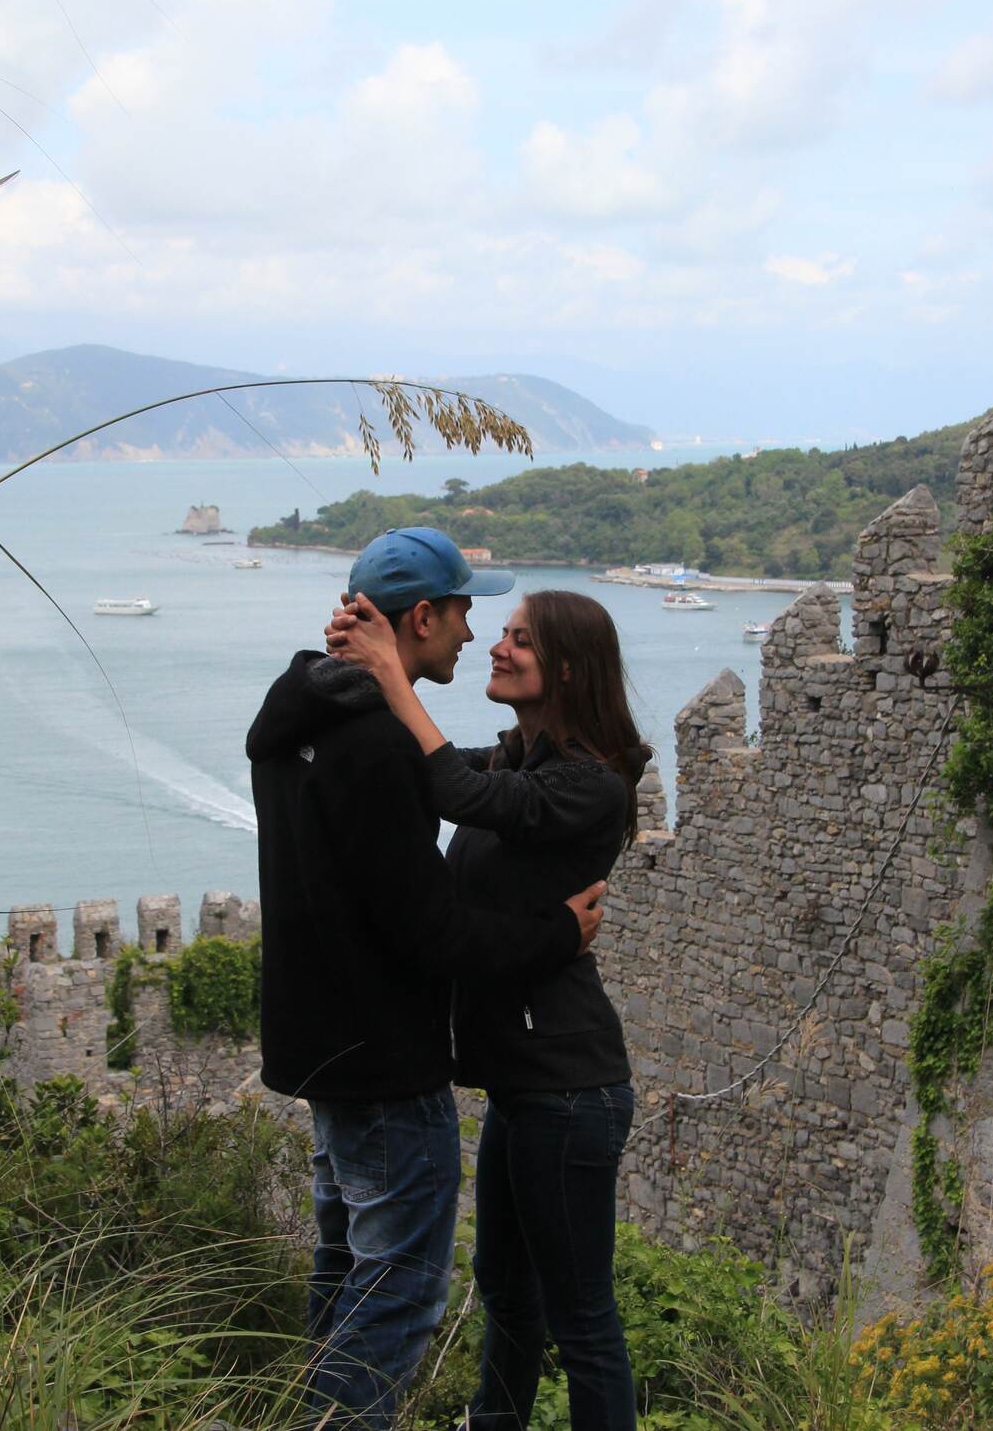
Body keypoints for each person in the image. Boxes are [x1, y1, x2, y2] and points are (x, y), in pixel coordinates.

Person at [246, 528, 608, 1431]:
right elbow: (430, 930)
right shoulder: (377, 742)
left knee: (345, 1267)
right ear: (420, 618)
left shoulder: (297, 717)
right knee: (402, 1289)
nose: (472, 634)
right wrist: (557, 933)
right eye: (463, 612)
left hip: (321, 1049)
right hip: (385, 1057)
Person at [327, 585, 649, 1430]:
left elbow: (461, 796)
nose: (498, 648)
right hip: (523, 1085)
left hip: (569, 1084)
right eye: (501, 634)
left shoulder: (590, 785)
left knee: (583, 1320)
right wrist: (354, 665)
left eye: (521, 641)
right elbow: (430, 768)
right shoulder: (518, 760)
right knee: (506, 1291)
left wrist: (393, 672)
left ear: (569, 669)